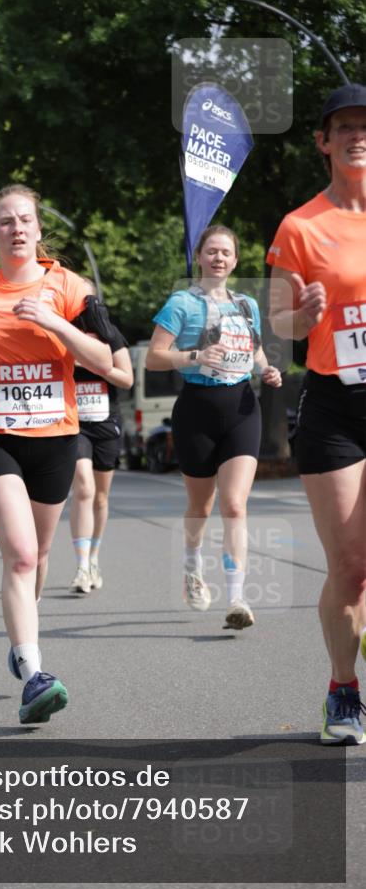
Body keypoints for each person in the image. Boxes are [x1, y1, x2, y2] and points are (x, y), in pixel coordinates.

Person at [0, 184, 112, 724]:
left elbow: (105, 357)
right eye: (6, 221)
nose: (17, 228)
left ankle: (22, 640)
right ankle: (36, 675)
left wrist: (55, 322)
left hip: (56, 437)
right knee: (17, 553)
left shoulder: (69, 286)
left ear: (39, 230)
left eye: (26, 220)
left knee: (38, 557)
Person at [268, 82, 366, 746]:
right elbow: (278, 320)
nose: (357, 136)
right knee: (351, 566)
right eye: (344, 127)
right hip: (334, 403)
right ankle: (342, 688)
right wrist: (297, 317)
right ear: (323, 141)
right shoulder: (299, 226)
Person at [147, 224, 282, 630]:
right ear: (200, 257)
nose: (219, 258)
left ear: (236, 260)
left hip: (242, 407)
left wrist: (267, 368)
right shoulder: (181, 303)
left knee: (235, 505)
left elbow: (254, 348)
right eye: (212, 251)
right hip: (197, 412)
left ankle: (237, 597)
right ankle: (192, 566)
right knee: (200, 507)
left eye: (226, 252)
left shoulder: (246, 305)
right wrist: (194, 355)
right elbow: (154, 357)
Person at [69, 295, 133, 594]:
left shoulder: (111, 335)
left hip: (106, 422)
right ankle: (81, 565)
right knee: (83, 486)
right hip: (74, 423)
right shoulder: (63, 331)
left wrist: (98, 364)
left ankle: (94, 557)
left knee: (101, 497)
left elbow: (127, 380)